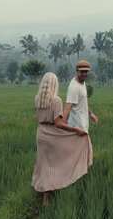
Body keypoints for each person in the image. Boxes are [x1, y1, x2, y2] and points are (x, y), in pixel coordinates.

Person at [31, 72, 93, 206]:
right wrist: (75, 129)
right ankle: (58, 183)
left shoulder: (37, 99)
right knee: (59, 160)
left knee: (44, 163)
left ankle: (45, 194)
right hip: (53, 135)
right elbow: (58, 123)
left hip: (41, 134)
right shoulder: (56, 100)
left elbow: (37, 118)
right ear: (55, 84)